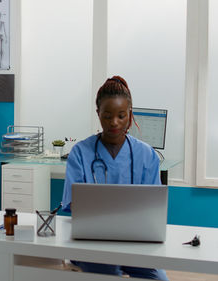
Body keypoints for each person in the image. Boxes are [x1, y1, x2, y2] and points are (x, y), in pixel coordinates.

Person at [61, 76, 168, 280]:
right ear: (98, 114)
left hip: (136, 241)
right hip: (92, 241)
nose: (114, 123)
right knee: (109, 273)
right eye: (107, 116)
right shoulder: (80, 153)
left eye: (121, 115)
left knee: (159, 278)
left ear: (130, 114)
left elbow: (154, 207)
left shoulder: (147, 155)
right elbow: (74, 203)